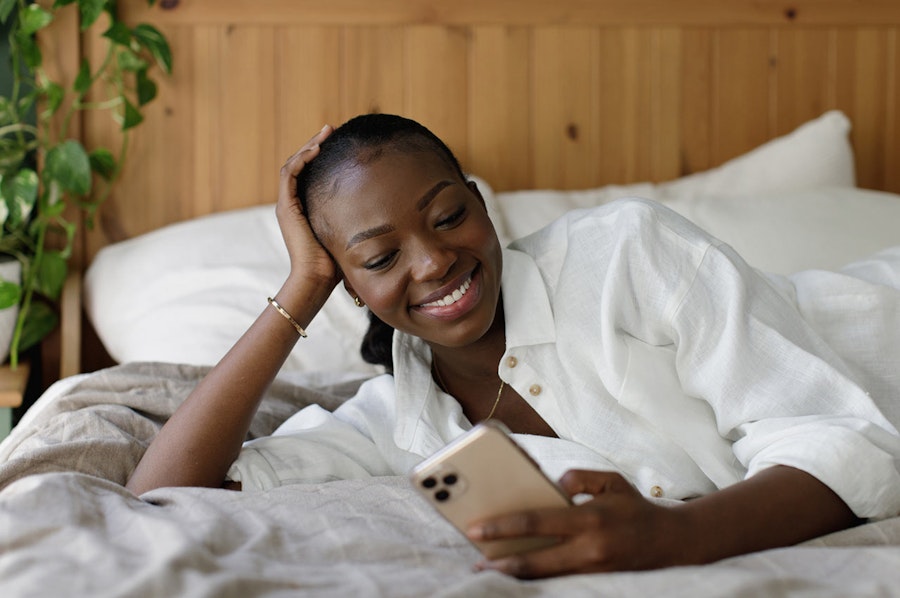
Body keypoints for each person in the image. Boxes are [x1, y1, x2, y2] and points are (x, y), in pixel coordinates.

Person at [127, 114, 900, 578]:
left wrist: (678, 536)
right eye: (381, 258)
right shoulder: (399, 423)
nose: (434, 262)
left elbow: (849, 439)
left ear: (480, 202)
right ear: (349, 286)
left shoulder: (627, 253)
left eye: (448, 216)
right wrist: (302, 286)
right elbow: (161, 495)